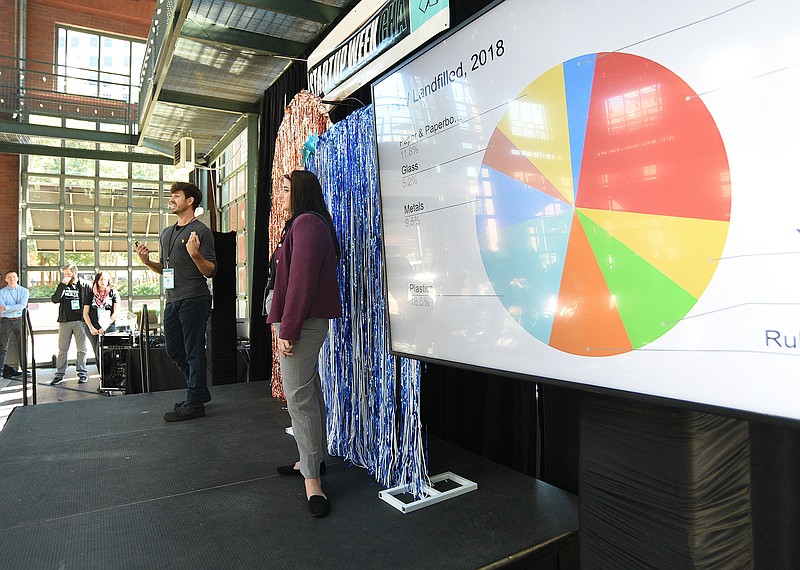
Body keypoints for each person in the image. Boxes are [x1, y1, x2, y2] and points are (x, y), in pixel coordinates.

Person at [266, 170, 342, 518]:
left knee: (299, 399)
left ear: (301, 192)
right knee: (308, 392)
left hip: (302, 324)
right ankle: (311, 460)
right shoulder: (302, 223)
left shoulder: (308, 224)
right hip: (301, 322)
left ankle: (313, 480)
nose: (280, 196)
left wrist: (289, 329)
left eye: (284, 190)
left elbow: (302, 280)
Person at [137, 181, 216, 422]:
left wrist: (195, 255)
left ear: (190, 201)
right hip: (172, 300)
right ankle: (199, 390)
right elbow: (166, 268)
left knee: (194, 351)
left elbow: (211, 270)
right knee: (173, 349)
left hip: (195, 298)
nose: (172, 200)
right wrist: (148, 262)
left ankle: (194, 401)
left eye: (177, 196)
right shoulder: (167, 233)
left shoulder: (201, 231)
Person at [51, 263, 91, 385]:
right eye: (65, 274)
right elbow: (55, 299)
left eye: (69, 274)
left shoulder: (84, 285)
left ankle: (82, 373)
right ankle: (60, 374)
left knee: (81, 349)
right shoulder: (63, 285)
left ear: (75, 272)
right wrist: (63, 284)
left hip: (80, 321)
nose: (67, 276)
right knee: (62, 349)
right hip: (65, 321)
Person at [83, 271, 120, 376]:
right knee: (98, 353)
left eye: (105, 279)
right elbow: (85, 313)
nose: (103, 281)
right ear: (97, 280)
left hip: (108, 328)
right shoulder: (90, 294)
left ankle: (110, 379)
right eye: (101, 279)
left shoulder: (113, 293)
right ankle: (102, 379)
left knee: (108, 353)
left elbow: (116, 312)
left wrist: (105, 326)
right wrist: (91, 328)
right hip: (93, 328)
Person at [0, 270, 30, 380]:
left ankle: (24, 369)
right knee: (2, 346)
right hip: (6, 321)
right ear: (6, 279)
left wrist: (7, 308)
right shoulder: (1, 292)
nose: (12, 279)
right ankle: (0, 371)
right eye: (9, 277)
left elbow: (22, 306)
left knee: (22, 345)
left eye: (14, 277)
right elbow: (0, 308)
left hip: (19, 320)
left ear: (17, 278)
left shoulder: (24, 291)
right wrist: (12, 308)